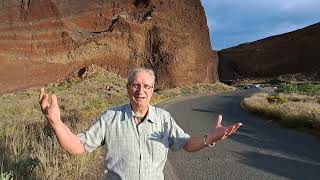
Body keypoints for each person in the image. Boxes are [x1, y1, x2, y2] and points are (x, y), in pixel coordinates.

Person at [39, 67, 242, 180]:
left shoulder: (163, 119)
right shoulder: (110, 117)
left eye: (146, 86)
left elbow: (187, 144)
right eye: (135, 85)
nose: (140, 91)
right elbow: (78, 147)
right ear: (128, 88)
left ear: (153, 90)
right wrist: (55, 122)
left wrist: (210, 138)